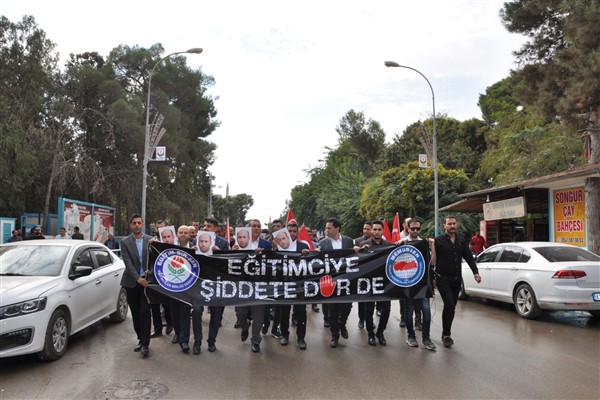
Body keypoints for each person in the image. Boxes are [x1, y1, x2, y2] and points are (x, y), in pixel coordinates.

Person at [434, 216, 481, 348]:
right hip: (443, 278)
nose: (452, 226)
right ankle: (447, 334)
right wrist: (432, 278)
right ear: (444, 226)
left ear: (457, 225)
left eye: (454, 223)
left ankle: (446, 332)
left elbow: (469, 258)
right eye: (449, 224)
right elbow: (432, 260)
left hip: (456, 279)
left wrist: (475, 272)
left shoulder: (461, 240)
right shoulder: (438, 241)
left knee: (452, 307)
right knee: (449, 304)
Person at [354, 220, 394, 346]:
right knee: (368, 311)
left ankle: (380, 332)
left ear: (382, 231)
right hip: (369, 283)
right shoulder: (363, 244)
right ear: (371, 230)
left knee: (386, 310)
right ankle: (370, 333)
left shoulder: (389, 245)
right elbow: (357, 262)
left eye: (379, 230)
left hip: (384, 284)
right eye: (374, 229)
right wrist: (358, 250)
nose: (376, 232)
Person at [400, 218, 437, 351]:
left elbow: (432, 263)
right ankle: (411, 336)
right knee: (408, 311)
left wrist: (433, 246)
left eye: (418, 229)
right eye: (413, 228)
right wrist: (401, 246)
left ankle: (426, 338)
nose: (415, 231)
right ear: (407, 229)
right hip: (407, 284)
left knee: (426, 311)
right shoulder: (401, 243)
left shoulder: (425, 243)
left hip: (423, 284)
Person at [235, 219, 271, 353]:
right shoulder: (241, 243)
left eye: (258, 226)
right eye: (253, 226)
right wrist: (234, 251)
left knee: (258, 315)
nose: (256, 228)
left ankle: (256, 341)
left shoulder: (266, 245)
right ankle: (245, 327)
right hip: (243, 284)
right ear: (248, 229)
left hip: (260, 284)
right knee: (240, 312)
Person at [318, 217, 355, 348]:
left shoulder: (349, 241)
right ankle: (335, 336)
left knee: (347, 306)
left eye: (329, 228)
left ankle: (342, 324)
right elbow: (317, 259)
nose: (326, 230)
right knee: (332, 310)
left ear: (337, 228)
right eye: (326, 228)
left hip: (346, 280)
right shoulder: (323, 243)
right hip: (330, 281)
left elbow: (355, 257)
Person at [120, 214, 153, 357]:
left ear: (143, 224)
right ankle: (140, 339)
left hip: (147, 283)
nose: (137, 225)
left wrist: (148, 276)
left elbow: (155, 261)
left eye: (139, 222)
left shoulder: (150, 241)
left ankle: (146, 344)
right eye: (134, 223)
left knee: (145, 312)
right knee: (135, 313)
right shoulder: (125, 242)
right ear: (130, 225)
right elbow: (127, 262)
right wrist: (138, 278)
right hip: (131, 283)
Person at [275, 219, 310, 350]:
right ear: (286, 231)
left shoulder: (303, 246)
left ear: (297, 233)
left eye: (294, 231)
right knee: (284, 311)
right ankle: (284, 335)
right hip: (284, 283)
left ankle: (301, 338)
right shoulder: (279, 246)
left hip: (299, 284)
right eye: (289, 231)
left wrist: (308, 254)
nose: (292, 233)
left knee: (301, 312)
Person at [202, 217, 229, 352]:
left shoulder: (223, 243)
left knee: (216, 314)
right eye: (205, 225)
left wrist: (219, 253)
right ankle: (197, 341)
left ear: (216, 229)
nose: (206, 228)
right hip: (199, 283)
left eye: (209, 226)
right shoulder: (197, 240)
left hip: (217, 284)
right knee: (196, 312)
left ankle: (211, 341)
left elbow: (228, 264)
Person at [354, 222, 372, 329]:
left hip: (373, 273)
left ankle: (369, 319)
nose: (366, 231)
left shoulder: (377, 242)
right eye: (364, 228)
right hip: (361, 273)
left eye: (368, 229)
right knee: (362, 298)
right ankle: (361, 318)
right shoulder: (358, 241)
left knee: (371, 299)